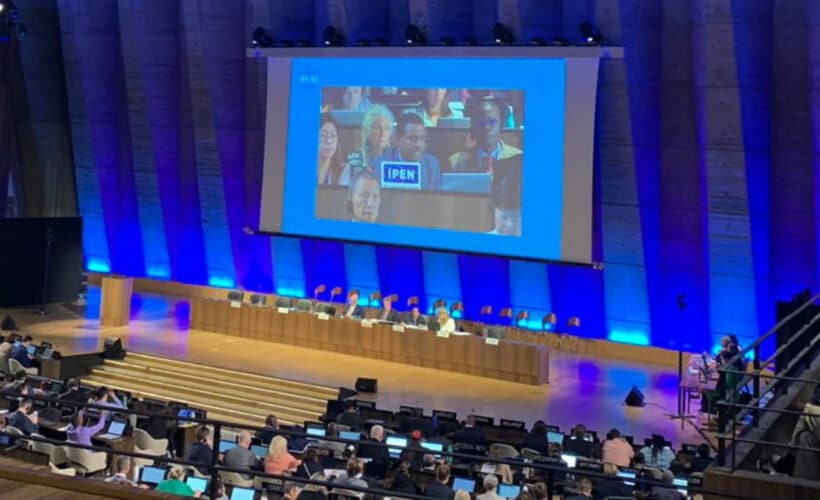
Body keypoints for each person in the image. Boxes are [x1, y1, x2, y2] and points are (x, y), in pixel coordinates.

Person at [375, 112, 442, 190]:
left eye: (422, 138)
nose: (418, 145)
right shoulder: (381, 165)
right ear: (398, 139)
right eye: (412, 139)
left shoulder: (431, 164)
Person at [339, 105, 395, 184]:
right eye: (377, 128)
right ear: (366, 131)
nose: (382, 133)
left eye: (386, 128)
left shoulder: (395, 160)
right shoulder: (354, 160)